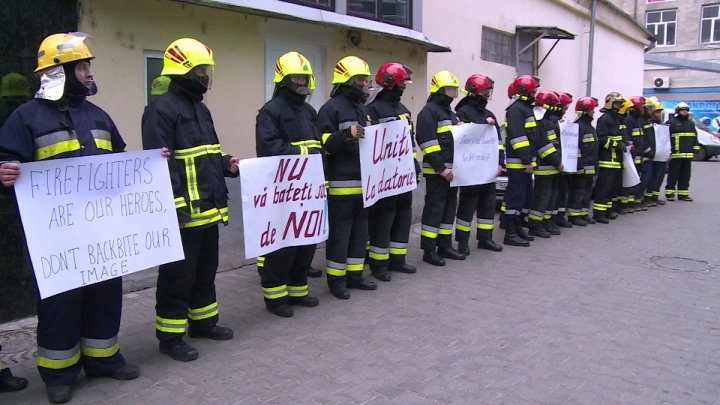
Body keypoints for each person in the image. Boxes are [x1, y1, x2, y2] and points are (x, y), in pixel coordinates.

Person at [0, 32, 142, 404]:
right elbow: (5, 158)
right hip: (56, 239)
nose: (89, 73)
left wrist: (152, 165)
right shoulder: (25, 117)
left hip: (101, 230)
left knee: (106, 294)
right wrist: (4, 170)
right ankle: (59, 373)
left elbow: (123, 161)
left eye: (88, 65)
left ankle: (104, 359)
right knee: (60, 303)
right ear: (57, 71)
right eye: (82, 66)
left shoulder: (98, 115)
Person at [142, 38, 239, 362]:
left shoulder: (200, 108)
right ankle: (170, 337)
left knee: (204, 271)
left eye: (206, 70)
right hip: (184, 213)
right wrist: (176, 205)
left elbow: (206, 152)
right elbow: (160, 163)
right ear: (182, 71)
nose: (205, 76)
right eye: (200, 70)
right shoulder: (161, 109)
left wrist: (226, 163)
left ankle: (203, 323)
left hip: (207, 208)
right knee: (177, 277)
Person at [254, 52, 321, 317]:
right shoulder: (271, 111)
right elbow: (268, 147)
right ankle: (275, 298)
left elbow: (318, 147)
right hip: (283, 190)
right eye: (296, 77)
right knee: (283, 246)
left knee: (306, 242)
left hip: (309, 190)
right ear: (283, 80)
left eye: (305, 77)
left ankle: (298, 290)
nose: (302, 82)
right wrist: (304, 156)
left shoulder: (309, 111)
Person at [319, 56, 377, 299]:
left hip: (363, 184)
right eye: (361, 80)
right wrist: (345, 135)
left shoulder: (360, 108)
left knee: (359, 233)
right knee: (341, 235)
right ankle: (336, 280)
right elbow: (323, 145)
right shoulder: (330, 109)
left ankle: (355, 275)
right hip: (341, 185)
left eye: (366, 79)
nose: (365, 84)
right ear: (348, 81)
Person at [366, 62, 419, 281]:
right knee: (383, 218)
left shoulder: (404, 111)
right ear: (389, 82)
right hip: (384, 178)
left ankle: (398, 260)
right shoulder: (373, 110)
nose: (404, 87)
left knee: (403, 216)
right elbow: (370, 146)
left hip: (403, 177)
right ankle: (379, 265)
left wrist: (414, 166)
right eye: (401, 83)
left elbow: (409, 144)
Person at [417, 70, 466, 265]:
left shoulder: (450, 114)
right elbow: (427, 143)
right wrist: (442, 169)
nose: (453, 94)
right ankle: (429, 250)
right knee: (434, 210)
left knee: (448, 210)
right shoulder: (429, 112)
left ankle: (444, 246)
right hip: (438, 173)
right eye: (450, 90)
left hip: (451, 173)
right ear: (439, 90)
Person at [453, 74, 504, 254]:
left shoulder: (490, 114)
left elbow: (498, 142)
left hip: (487, 169)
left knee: (488, 204)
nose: (487, 96)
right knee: (467, 205)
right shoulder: (462, 112)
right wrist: (483, 124)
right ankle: (462, 241)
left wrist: (500, 163)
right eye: (484, 92)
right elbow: (464, 136)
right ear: (474, 93)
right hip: (471, 170)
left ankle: (485, 238)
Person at [503, 75, 541, 246]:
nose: (535, 94)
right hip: (518, 163)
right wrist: (527, 161)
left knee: (525, 198)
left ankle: (518, 228)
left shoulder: (524, 108)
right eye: (533, 91)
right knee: (516, 198)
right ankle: (510, 234)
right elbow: (518, 138)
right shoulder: (517, 109)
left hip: (524, 162)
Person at [527, 90, 564, 238]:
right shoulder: (540, 121)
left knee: (550, 197)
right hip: (544, 167)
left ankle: (546, 221)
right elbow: (543, 146)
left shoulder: (547, 121)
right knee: (542, 198)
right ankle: (535, 224)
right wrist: (557, 161)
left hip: (552, 167)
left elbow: (554, 143)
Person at [592, 92, 626, 224]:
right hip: (607, 160)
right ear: (610, 103)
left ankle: (607, 210)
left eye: (620, 103)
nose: (619, 105)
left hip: (616, 160)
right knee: (604, 188)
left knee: (612, 188)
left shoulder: (616, 118)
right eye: (617, 103)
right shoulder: (605, 119)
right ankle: (599, 213)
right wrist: (617, 145)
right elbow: (601, 139)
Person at [568, 97, 600, 226]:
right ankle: (574, 216)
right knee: (578, 191)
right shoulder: (578, 127)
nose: (594, 112)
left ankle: (583, 213)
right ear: (585, 110)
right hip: (581, 167)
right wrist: (579, 166)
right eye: (592, 109)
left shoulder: (589, 127)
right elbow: (575, 148)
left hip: (590, 166)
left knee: (587, 192)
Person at [665, 102, 699, 201]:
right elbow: (666, 139)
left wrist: (695, 150)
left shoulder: (690, 123)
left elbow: (694, 137)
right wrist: (669, 152)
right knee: (673, 174)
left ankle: (683, 194)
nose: (685, 111)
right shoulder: (671, 122)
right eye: (683, 110)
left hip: (687, 155)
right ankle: (670, 193)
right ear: (678, 111)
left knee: (685, 175)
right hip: (676, 154)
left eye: (686, 110)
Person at [550, 92, 573, 228]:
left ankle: (559, 216)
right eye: (565, 106)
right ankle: (555, 218)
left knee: (561, 191)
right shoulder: (553, 121)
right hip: (557, 162)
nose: (566, 109)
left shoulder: (559, 120)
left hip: (562, 161)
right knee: (557, 193)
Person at [647, 99, 669, 206]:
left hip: (662, 156)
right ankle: (648, 197)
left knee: (659, 177)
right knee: (651, 177)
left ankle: (655, 196)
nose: (659, 114)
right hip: (653, 155)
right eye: (657, 112)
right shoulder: (649, 124)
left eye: (660, 112)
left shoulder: (662, 125)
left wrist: (669, 153)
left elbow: (666, 140)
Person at [636, 98, 656, 210]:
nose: (651, 111)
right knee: (643, 178)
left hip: (647, 155)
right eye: (649, 108)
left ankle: (640, 199)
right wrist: (649, 151)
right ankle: (637, 199)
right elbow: (643, 140)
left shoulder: (646, 121)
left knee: (646, 178)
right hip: (644, 155)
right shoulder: (641, 121)